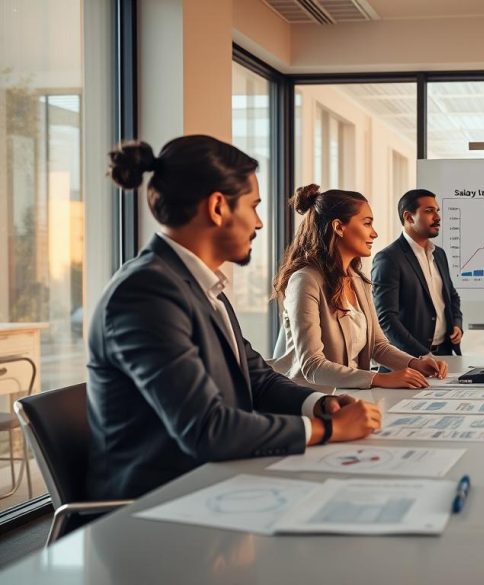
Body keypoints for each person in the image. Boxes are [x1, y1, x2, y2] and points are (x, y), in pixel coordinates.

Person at [88, 136, 380, 501]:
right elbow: (207, 429)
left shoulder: (202, 286)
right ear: (216, 207)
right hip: (163, 504)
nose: (258, 223)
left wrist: (319, 404)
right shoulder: (146, 294)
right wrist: (324, 429)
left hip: (219, 481)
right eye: (254, 206)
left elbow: (256, 378)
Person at [270, 185, 448, 391]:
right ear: (338, 227)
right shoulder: (305, 280)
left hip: (349, 396)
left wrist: (415, 363)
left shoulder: (357, 280)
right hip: (308, 400)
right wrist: (380, 379)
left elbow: (377, 345)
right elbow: (312, 365)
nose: (374, 234)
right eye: (367, 224)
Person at [371, 189, 464, 357]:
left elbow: (452, 296)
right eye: (429, 211)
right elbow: (386, 319)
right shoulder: (388, 259)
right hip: (409, 360)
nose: (437, 217)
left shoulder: (439, 254)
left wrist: (456, 324)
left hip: (445, 354)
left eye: (437, 211)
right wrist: (422, 355)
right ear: (408, 217)